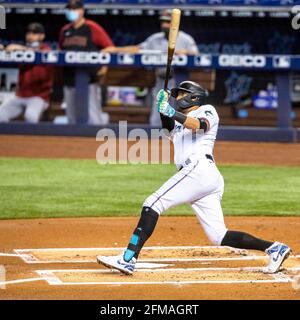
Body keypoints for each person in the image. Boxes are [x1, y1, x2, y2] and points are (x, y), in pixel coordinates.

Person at [97, 80, 291, 275]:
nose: (178, 98)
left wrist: (171, 110)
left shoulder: (207, 110)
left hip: (199, 169)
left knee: (152, 203)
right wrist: (162, 109)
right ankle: (274, 249)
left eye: (180, 94)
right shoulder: (181, 125)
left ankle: (128, 258)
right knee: (218, 235)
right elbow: (167, 130)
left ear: (193, 96)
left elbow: (200, 126)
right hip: (203, 177)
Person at [104, 10, 199, 126]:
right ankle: (156, 134)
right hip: (160, 79)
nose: (164, 25)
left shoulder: (186, 39)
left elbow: (197, 57)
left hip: (180, 81)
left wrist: (187, 53)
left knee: (179, 111)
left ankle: (178, 134)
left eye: (168, 22)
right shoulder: (155, 38)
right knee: (158, 108)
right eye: (163, 22)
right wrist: (116, 50)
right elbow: (138, 49)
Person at [59, 0, 114, 125]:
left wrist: (104, 66)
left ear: (82, 11)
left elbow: (109, 47)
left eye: (75, 9)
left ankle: (99, 141)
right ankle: (73, 144)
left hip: (89, 78)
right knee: (71, 118)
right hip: (69, 78)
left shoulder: (92, 27)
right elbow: (60, 51)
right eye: (69, 9)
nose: (71, 12)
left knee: (94, 117)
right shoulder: (65, 30)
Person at [0, 23, 53, 123]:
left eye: (35, 33)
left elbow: (38, 53)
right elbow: (9, 50)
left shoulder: (47, 50)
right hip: (20, 95)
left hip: (39, 96)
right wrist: (4, 48)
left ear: (42, 36)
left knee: (31, 117)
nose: (30, 36)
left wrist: (21, 49)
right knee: (1, 115)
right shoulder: (21, 50)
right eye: (29, 33)